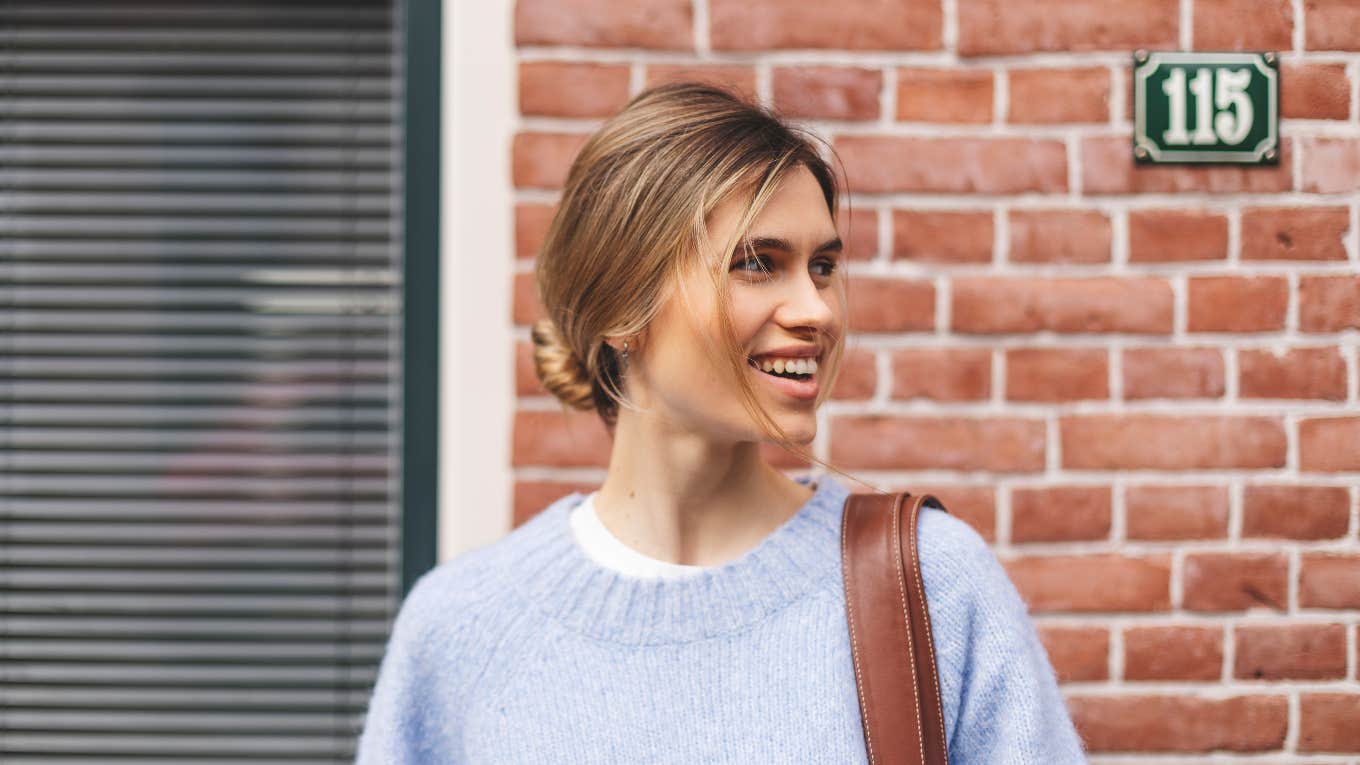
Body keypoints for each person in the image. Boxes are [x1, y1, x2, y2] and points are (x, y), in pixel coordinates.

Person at [356, 81, 1088, 763]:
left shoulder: (929, 587)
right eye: (757, 263)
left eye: (823, 266)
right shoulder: (459, 630)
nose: (816, 310)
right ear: (621, 309)